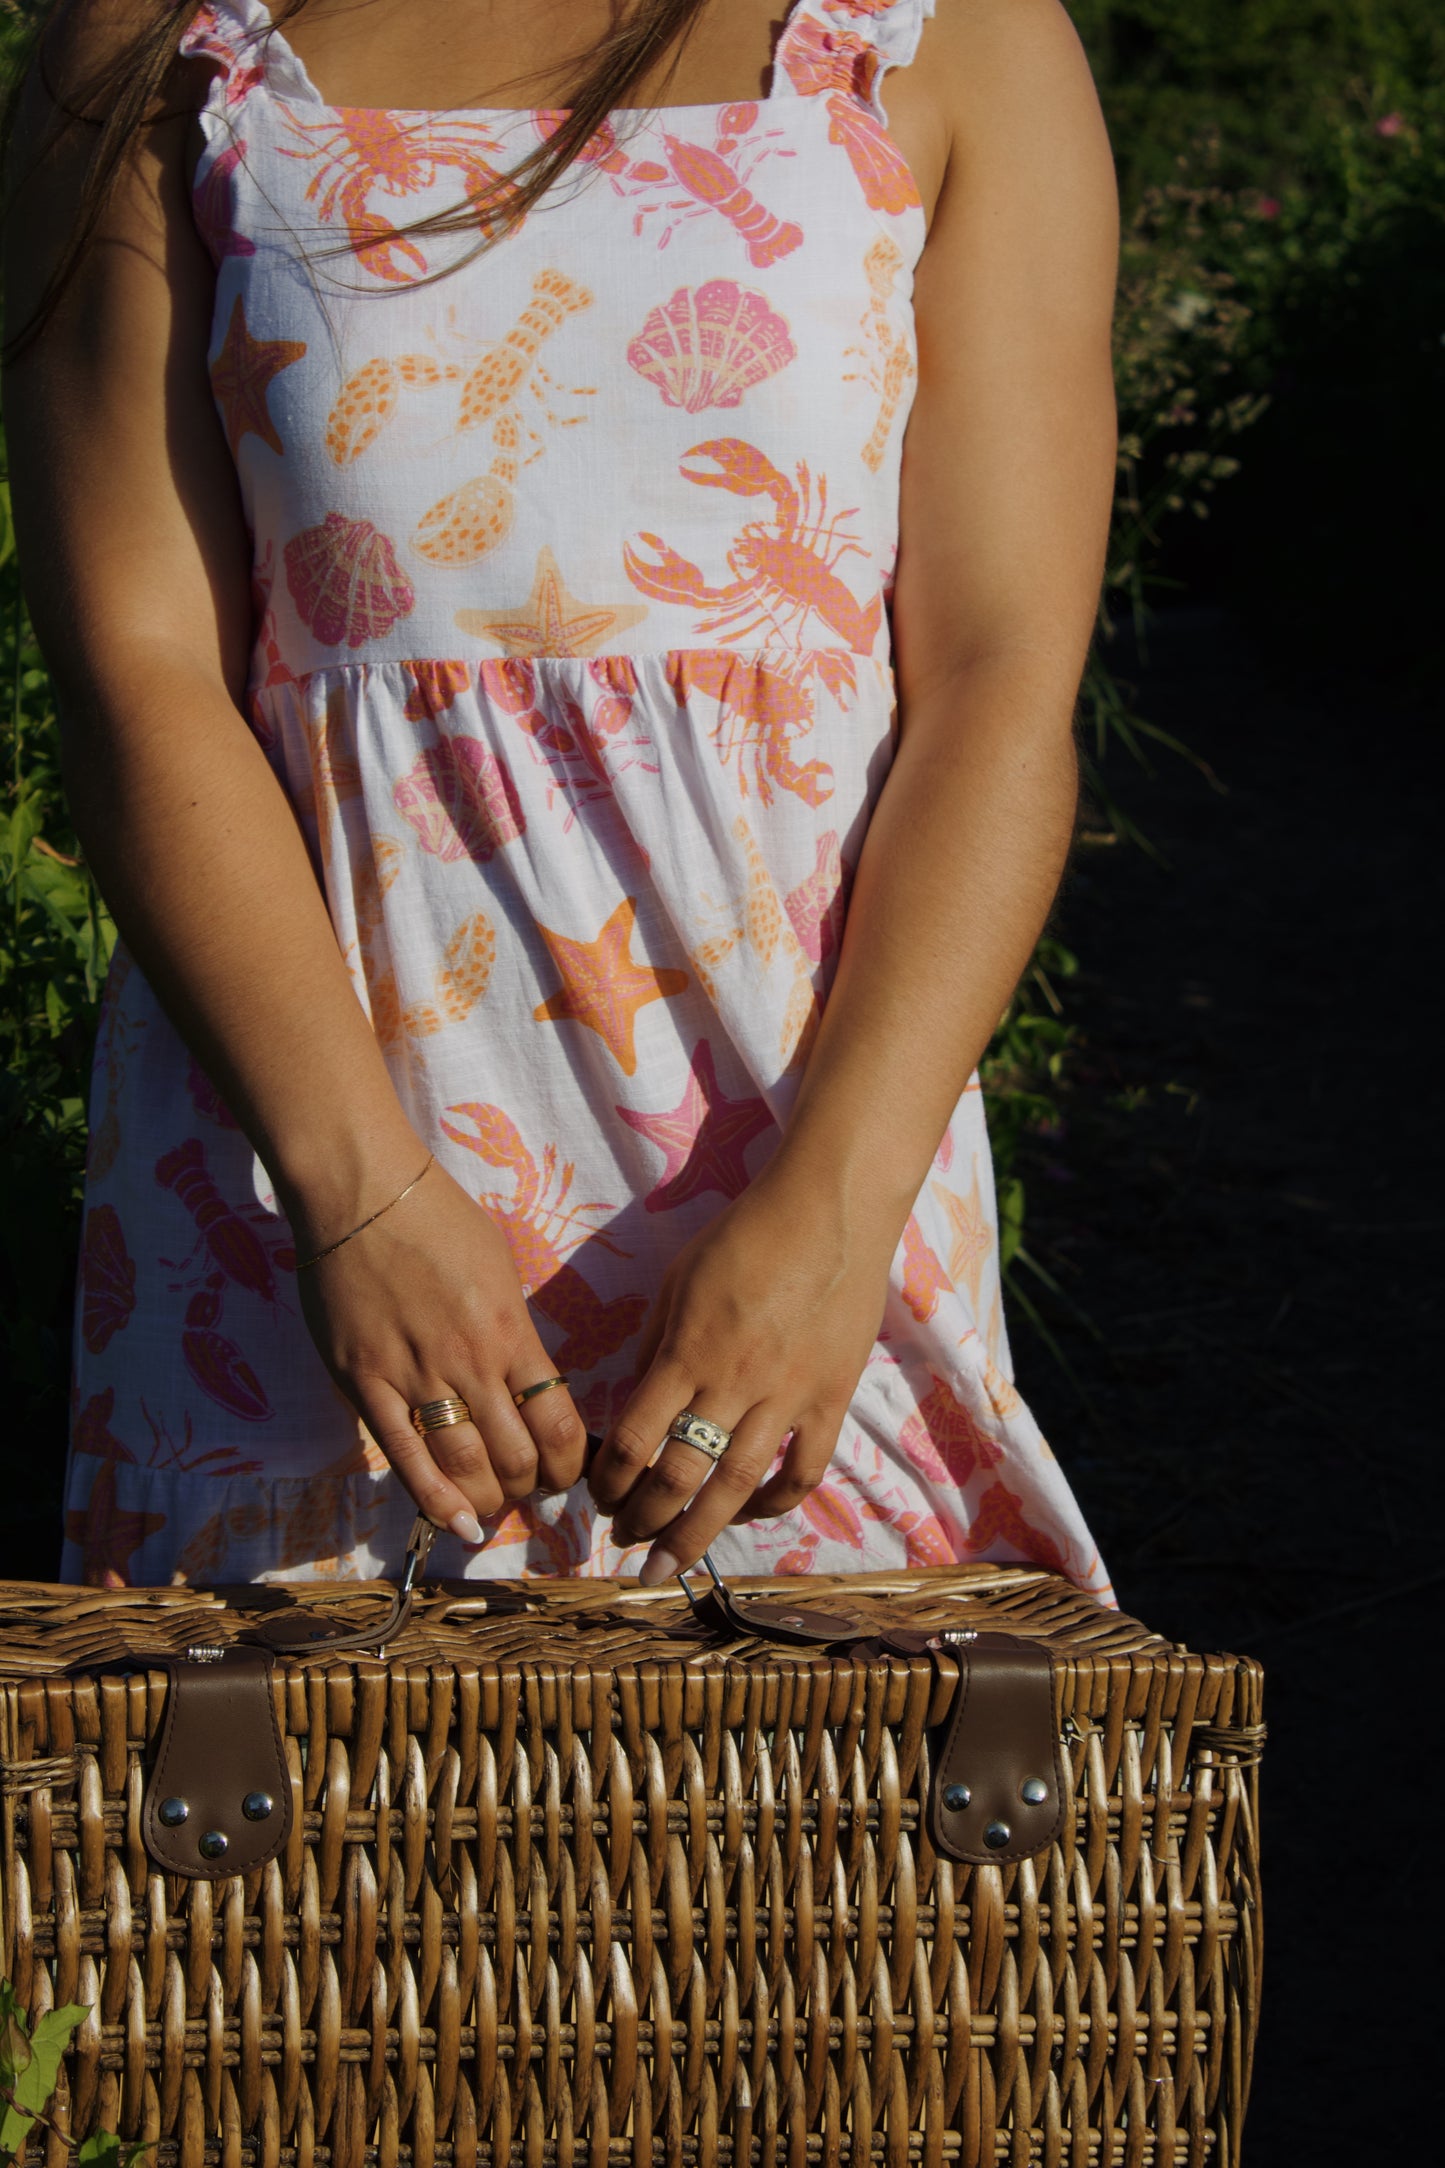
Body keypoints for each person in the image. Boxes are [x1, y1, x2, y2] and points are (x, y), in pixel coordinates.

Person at [0, 0, 1119, 1594]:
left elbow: (1001, 682)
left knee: (846, 1813)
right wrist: (356, 1192)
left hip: (815, 1187)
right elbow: (137, 666)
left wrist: (834, 1211)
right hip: (303, 1170)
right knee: (288, 1805)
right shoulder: (153, 44)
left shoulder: (941, 37)